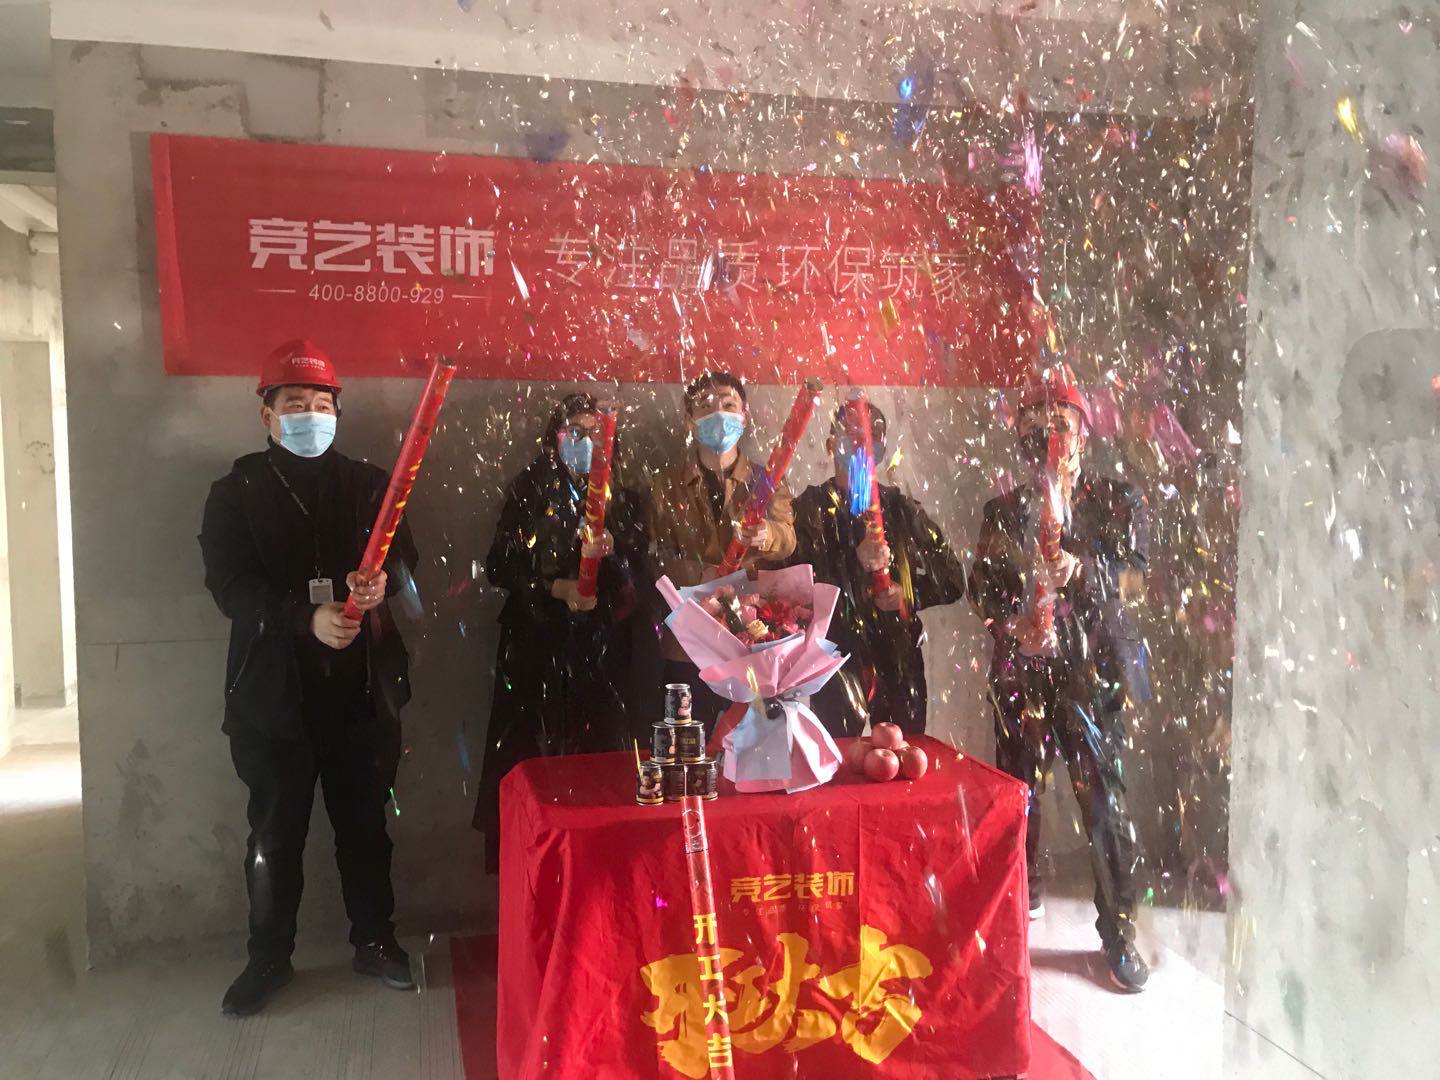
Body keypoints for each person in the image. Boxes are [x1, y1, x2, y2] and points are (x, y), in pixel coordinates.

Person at [199, 339, 419, 1016]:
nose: (310, 415)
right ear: (266, 415)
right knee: (273, 833)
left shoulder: (372, 484)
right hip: (274, 697)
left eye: (322, 403)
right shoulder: (235, 494)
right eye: (294, 403)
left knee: (365, 827)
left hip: (361, 693)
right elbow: (231, 588)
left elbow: (404, 562)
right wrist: (306, 618)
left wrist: (382, 585)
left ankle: (375, 940)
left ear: (338, 412)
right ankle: (268, 957)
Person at [968, 362, 1152, 993]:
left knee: (1104, 802)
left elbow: (1137, 580)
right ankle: (1019, 901)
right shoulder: (1002, 510)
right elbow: (983, 588)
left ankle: (1118, 932)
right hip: (1023, 673)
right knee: (1017, 796)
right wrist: (1012, 627)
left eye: (1061, 421)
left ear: (1082, 433)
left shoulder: (1118, 501)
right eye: (1034, 422)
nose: (1047, 433)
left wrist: (1085, 572)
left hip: (1094, 677)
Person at [473, 393, 650, 874]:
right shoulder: (529, 489)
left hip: (602, 653)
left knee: (601, 764)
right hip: (537, 647)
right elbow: (500, 566)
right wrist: (555, 587)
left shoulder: (623, 497)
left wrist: (615, 554)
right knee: (533, 760)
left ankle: (598, 872)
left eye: (595, 432)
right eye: (574, 431)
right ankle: (531, 873)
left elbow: (640, 578)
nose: (584, 441)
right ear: (555, 436)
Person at [789, 399, 967, 737]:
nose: (861, 444)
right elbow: (793, 588)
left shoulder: (902, 509)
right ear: (830, 444)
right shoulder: (808, 509)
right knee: (839, 757)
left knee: (903, 753)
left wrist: (905, 595)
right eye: (851, 434)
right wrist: (850, 562)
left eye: (872, 436)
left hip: (897, 656)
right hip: (834, 658)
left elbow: (952, 580)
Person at [647, 371, 797, 732]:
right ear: (690, 420)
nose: (719, 414)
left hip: (751, 632)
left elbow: (788, 539)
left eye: (729, 404)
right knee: (687, 735)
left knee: (750, 735)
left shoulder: (766, 481)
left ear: (744, 416)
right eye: (705, 406)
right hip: (690, 637)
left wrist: (768, 534)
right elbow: (654, 556)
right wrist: (699, 577)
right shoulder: (665, 486)